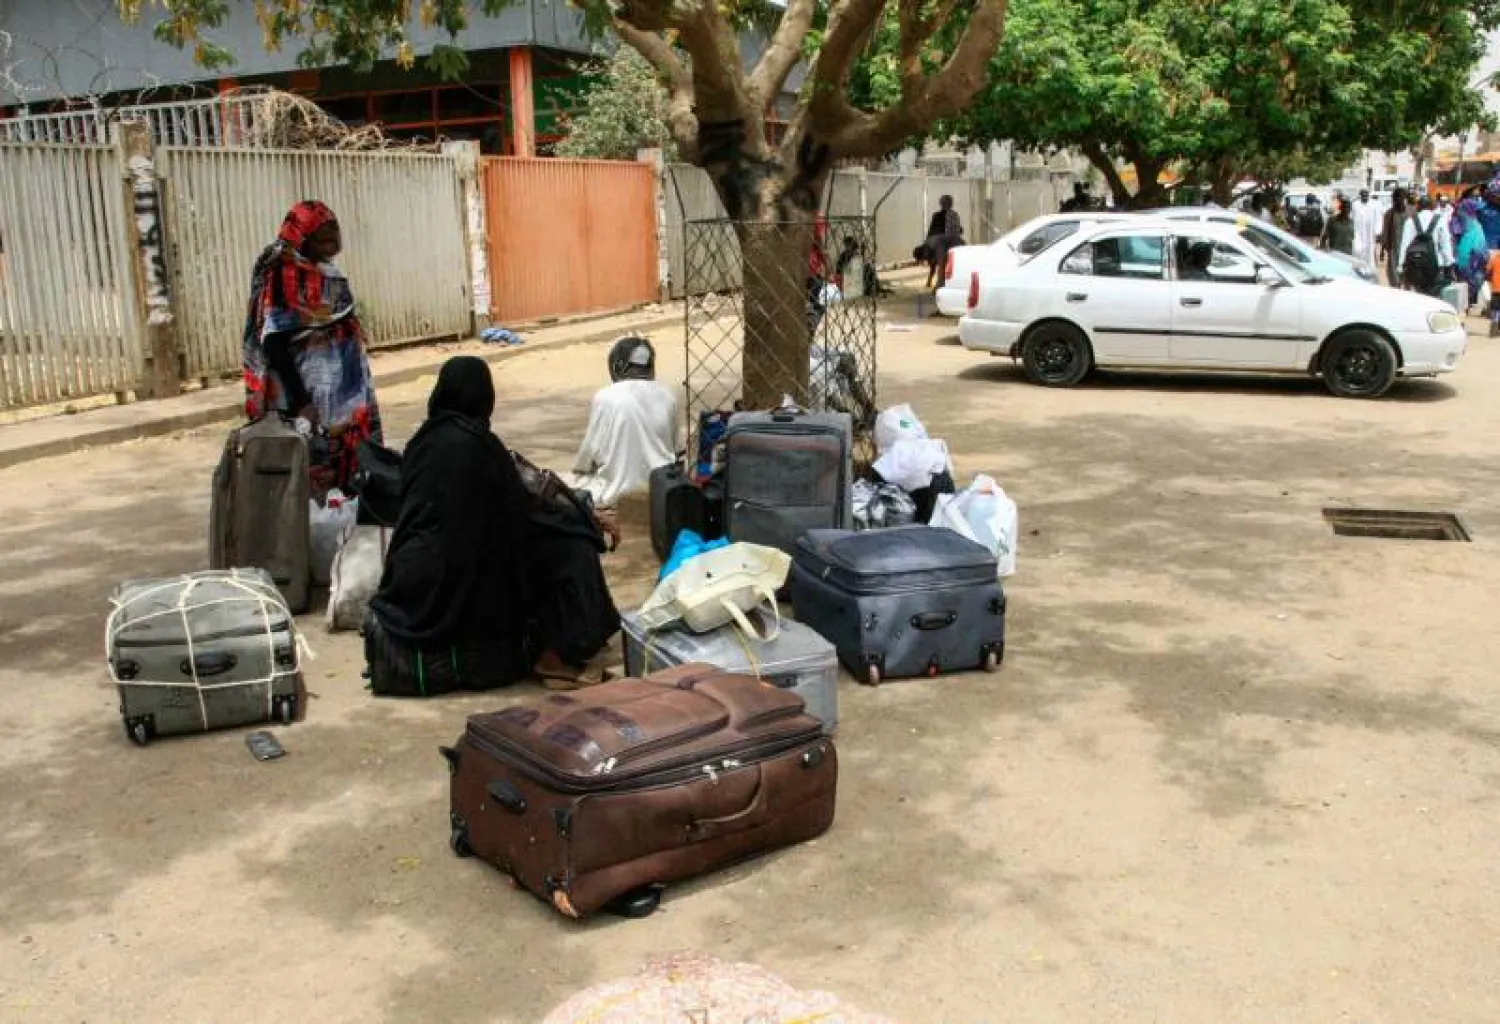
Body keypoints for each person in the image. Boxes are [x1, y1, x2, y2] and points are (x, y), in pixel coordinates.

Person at [369, 356, 621, 692]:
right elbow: (527, 513)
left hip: (410, 582)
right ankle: (557, 655)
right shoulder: (481, 448)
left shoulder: (422, 442)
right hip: (460, 583)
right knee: (570, 548)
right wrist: (583, 522)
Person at [243, 200, 382, 491]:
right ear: (303, 238)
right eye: (324, 239)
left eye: (335, 237)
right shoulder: (284, 276)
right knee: (314, 473)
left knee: (351, 467)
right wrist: (301, 401)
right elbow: (275, 346)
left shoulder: (322, 269)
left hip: (342, 392)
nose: (332, 246)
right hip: (309, 392)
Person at [570, 336, 679, 508]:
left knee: (569, 486)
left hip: (615, 496)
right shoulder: (668, 395)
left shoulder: (606, 397)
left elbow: (588, 455)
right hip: (662, 493)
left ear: (616, 367)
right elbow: (674, 449)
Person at [1397, 195, 1454, 297]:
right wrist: (1449, 264)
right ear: (1431, 206)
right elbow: (1445, 245)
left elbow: (1404, 246)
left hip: (1415, 266)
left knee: (1417, 296)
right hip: (1435, 265)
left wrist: (1400, 267)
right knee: (1433, 297)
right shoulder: (1440, 220)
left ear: (1418, 206)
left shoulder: (1410, 221)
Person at [1449, 196, 1489, 302]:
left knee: (1465, 277)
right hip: (1472, 251)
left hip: (1466, 252)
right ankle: (1469, 299)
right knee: (1471, 276)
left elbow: (1455, 234)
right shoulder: (1472, 221)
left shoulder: (1458, 218)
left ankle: (1467, 299)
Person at [923, 195, 963, 288]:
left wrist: (928, 242)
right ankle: (941, 281)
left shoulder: (939, 215)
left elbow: (931, 231)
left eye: (947, 203)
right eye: (947, 203)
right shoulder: (953, 215)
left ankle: (939, 281)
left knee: (942, 254)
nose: (947, 205)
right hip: (946, 241)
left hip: (942, 241)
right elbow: (958, 230)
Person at [1379, 189, 1411, 288]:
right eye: (1396, 199)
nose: (1399, 201)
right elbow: (1385, 232)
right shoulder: (1389, 214)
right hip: (1394, 249)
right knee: (1394, 276)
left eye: (1401, 199)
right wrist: (1382, 250)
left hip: (1409, 251)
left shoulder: (1411, 213)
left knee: (1407, 277)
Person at [1351, 188, 1383, 268]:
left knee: (1370, 251)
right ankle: (1358, 267)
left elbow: (1379, 218)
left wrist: (1377, 231)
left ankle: (1369, 268)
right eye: (1363, 195)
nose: (1365, 196)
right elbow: (1352, 217)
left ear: (1368, 195)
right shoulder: (1355, 204)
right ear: (1360, 195)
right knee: (1358, 250)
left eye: (1366, 194)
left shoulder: (1374, 205)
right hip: (1358, 232)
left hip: (1370, 232)